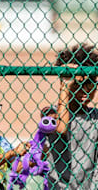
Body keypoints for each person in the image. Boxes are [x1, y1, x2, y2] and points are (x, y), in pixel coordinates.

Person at [46, 43, 98, 189]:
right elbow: (61, 128)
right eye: (78, 84)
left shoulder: (95, 117)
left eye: (90, 84)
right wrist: (66, 84)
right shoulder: (50, 112)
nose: (85, 90)